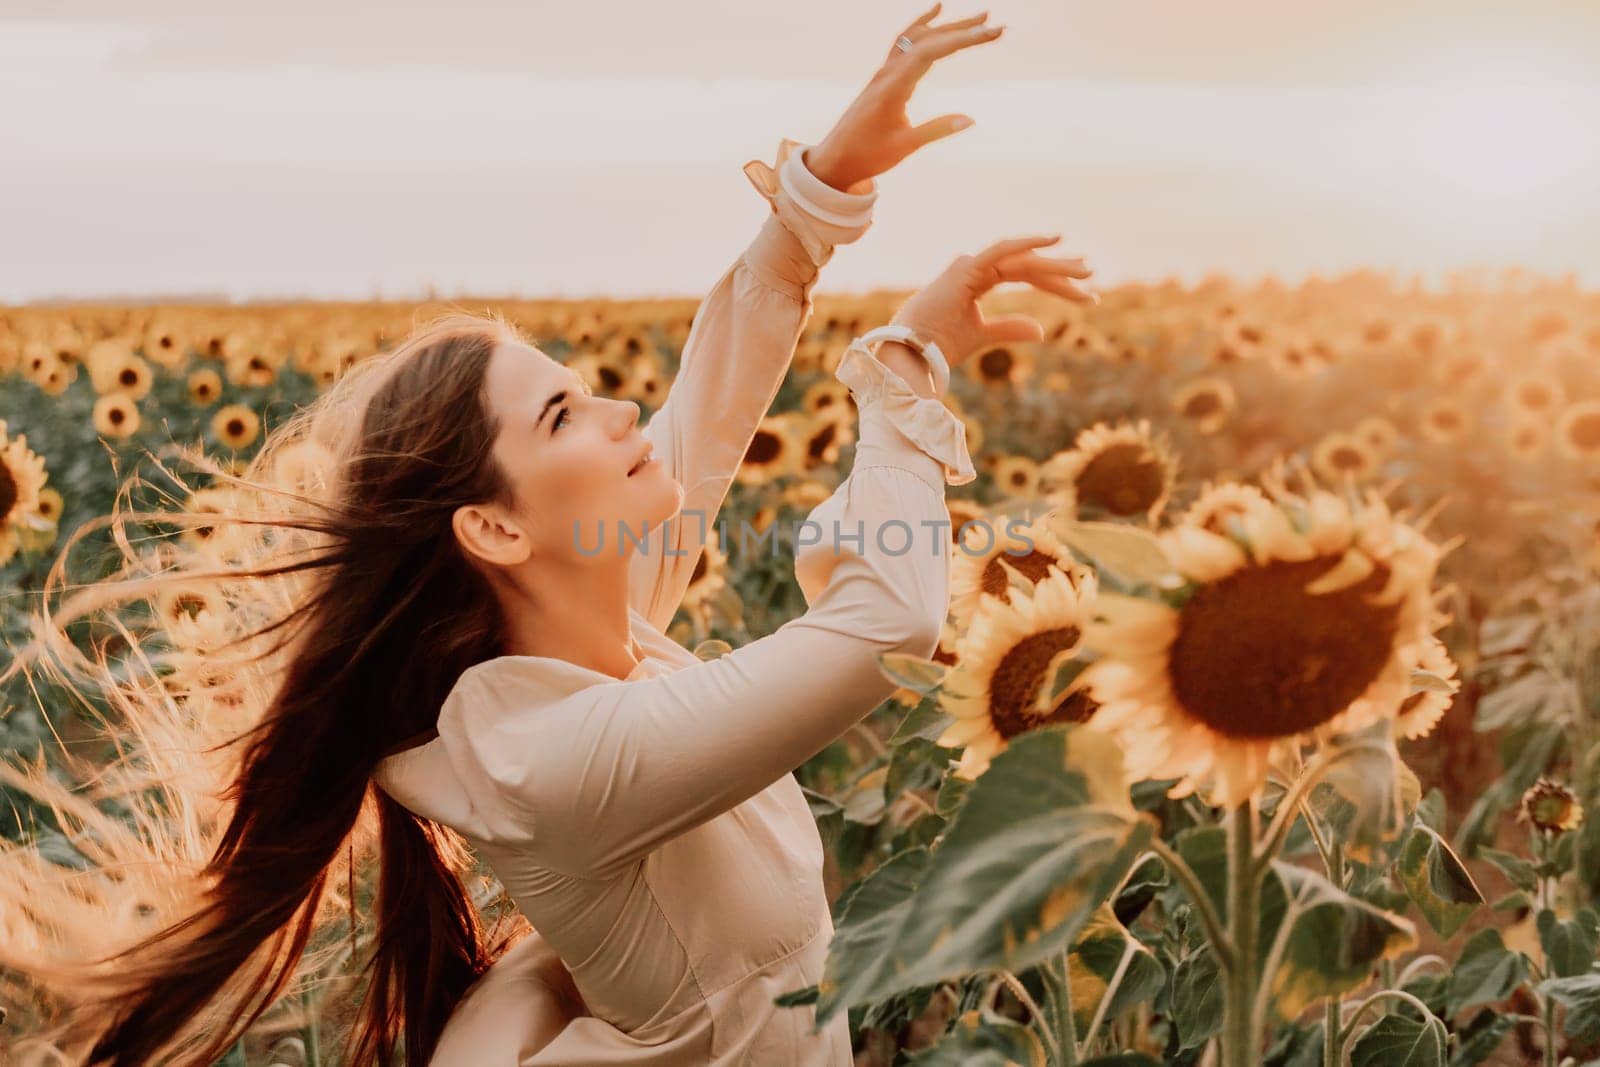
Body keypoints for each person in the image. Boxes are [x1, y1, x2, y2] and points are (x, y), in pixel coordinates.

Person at [0, 4, 1095, 1063]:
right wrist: (904, 370)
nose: (625, 413)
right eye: (564, 414)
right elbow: (888, 621)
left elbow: (711, 400)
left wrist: (826, 185)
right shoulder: (559, 758)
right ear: (492, 525)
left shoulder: (591, 641)